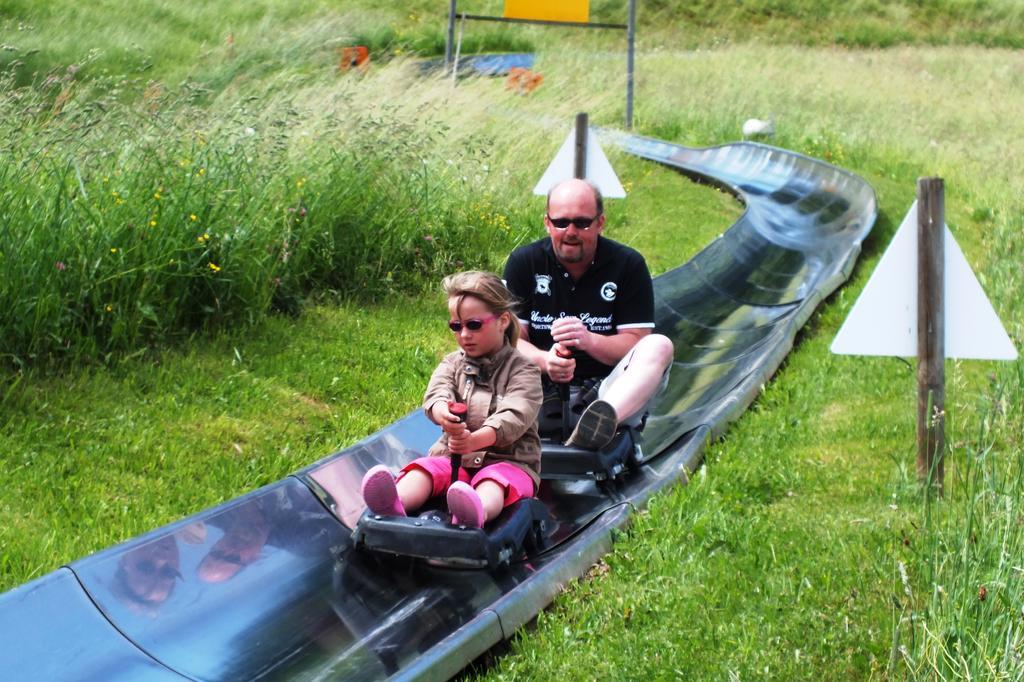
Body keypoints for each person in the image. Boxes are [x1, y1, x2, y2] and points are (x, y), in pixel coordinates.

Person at [360, 271, 543, 529]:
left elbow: (516, 414)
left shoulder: (524, 370)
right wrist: (441, 411)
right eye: (456, 326)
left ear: (502, 321)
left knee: (493, 483)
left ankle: (473, 512)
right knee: (425, 471)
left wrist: (475, 441)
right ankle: (393, 503)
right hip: (452, 457)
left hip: (508, 462)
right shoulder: (452, 363)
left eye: (474, 325)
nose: (464, 334)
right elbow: (437, 392)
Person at [503, 178, 674, 450]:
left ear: (600, 223)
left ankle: (601, 422)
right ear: (547, 223)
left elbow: (636, 341)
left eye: (582, 223)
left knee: (660, 345)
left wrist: (588, 340)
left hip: (607, 390)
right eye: (561, 223)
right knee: (479, 335)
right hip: (536, 390)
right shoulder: (524, 262)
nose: (570, 232)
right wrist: (545, 361)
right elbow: (510, 339)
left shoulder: (628, 265)